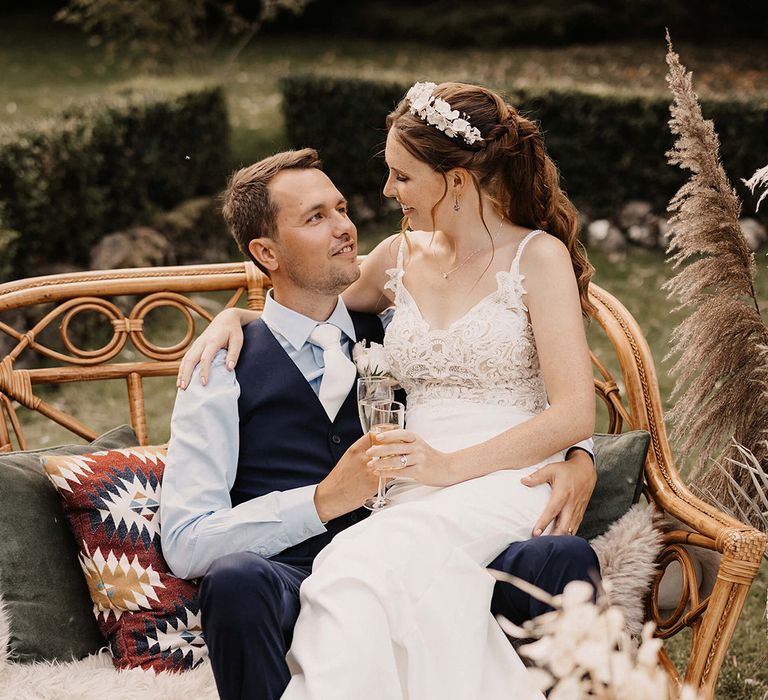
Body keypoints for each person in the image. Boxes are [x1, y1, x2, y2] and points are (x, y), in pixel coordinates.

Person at [168, 81, 597, 699]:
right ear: (266, 251)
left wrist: (579, 458)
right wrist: (239, 318)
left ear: (453, 180)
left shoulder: (524, 259)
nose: (366, 209)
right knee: (358, 576)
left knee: (359, 570)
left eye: (397, 177)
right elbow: (303, 305)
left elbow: (566, 399)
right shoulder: (391, 266)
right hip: (372, 518)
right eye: (319, 217)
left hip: (476, 484)